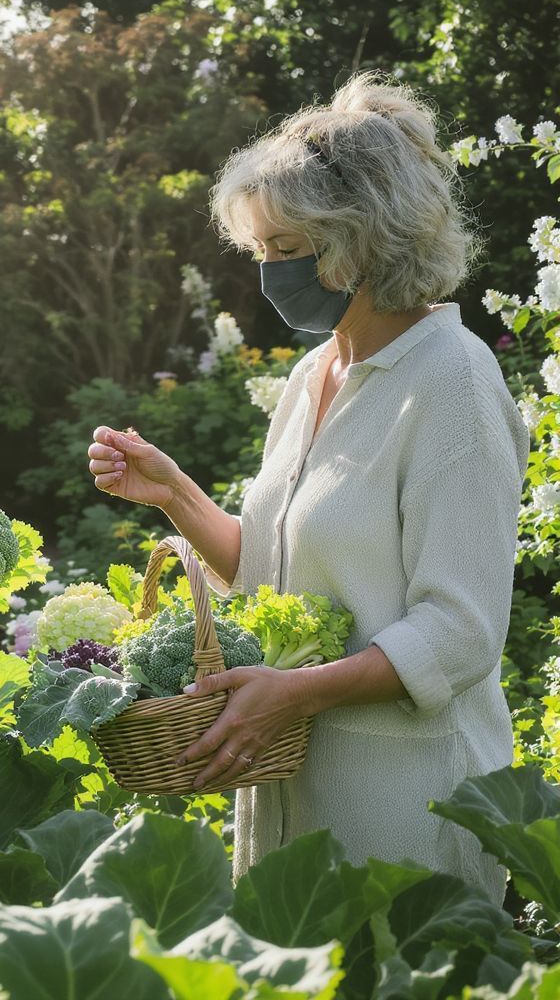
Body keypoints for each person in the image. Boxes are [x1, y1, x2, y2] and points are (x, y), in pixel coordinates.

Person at [86, 72, 529, 903]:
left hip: (403, 800)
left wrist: (291, 694)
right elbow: (275, 577)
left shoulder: (452, 382)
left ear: (370, 239)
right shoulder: (314, 375)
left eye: (288, 250)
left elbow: (461, 631)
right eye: (259, 251)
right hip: (287, 785)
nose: (268, 274)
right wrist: (175, 495)